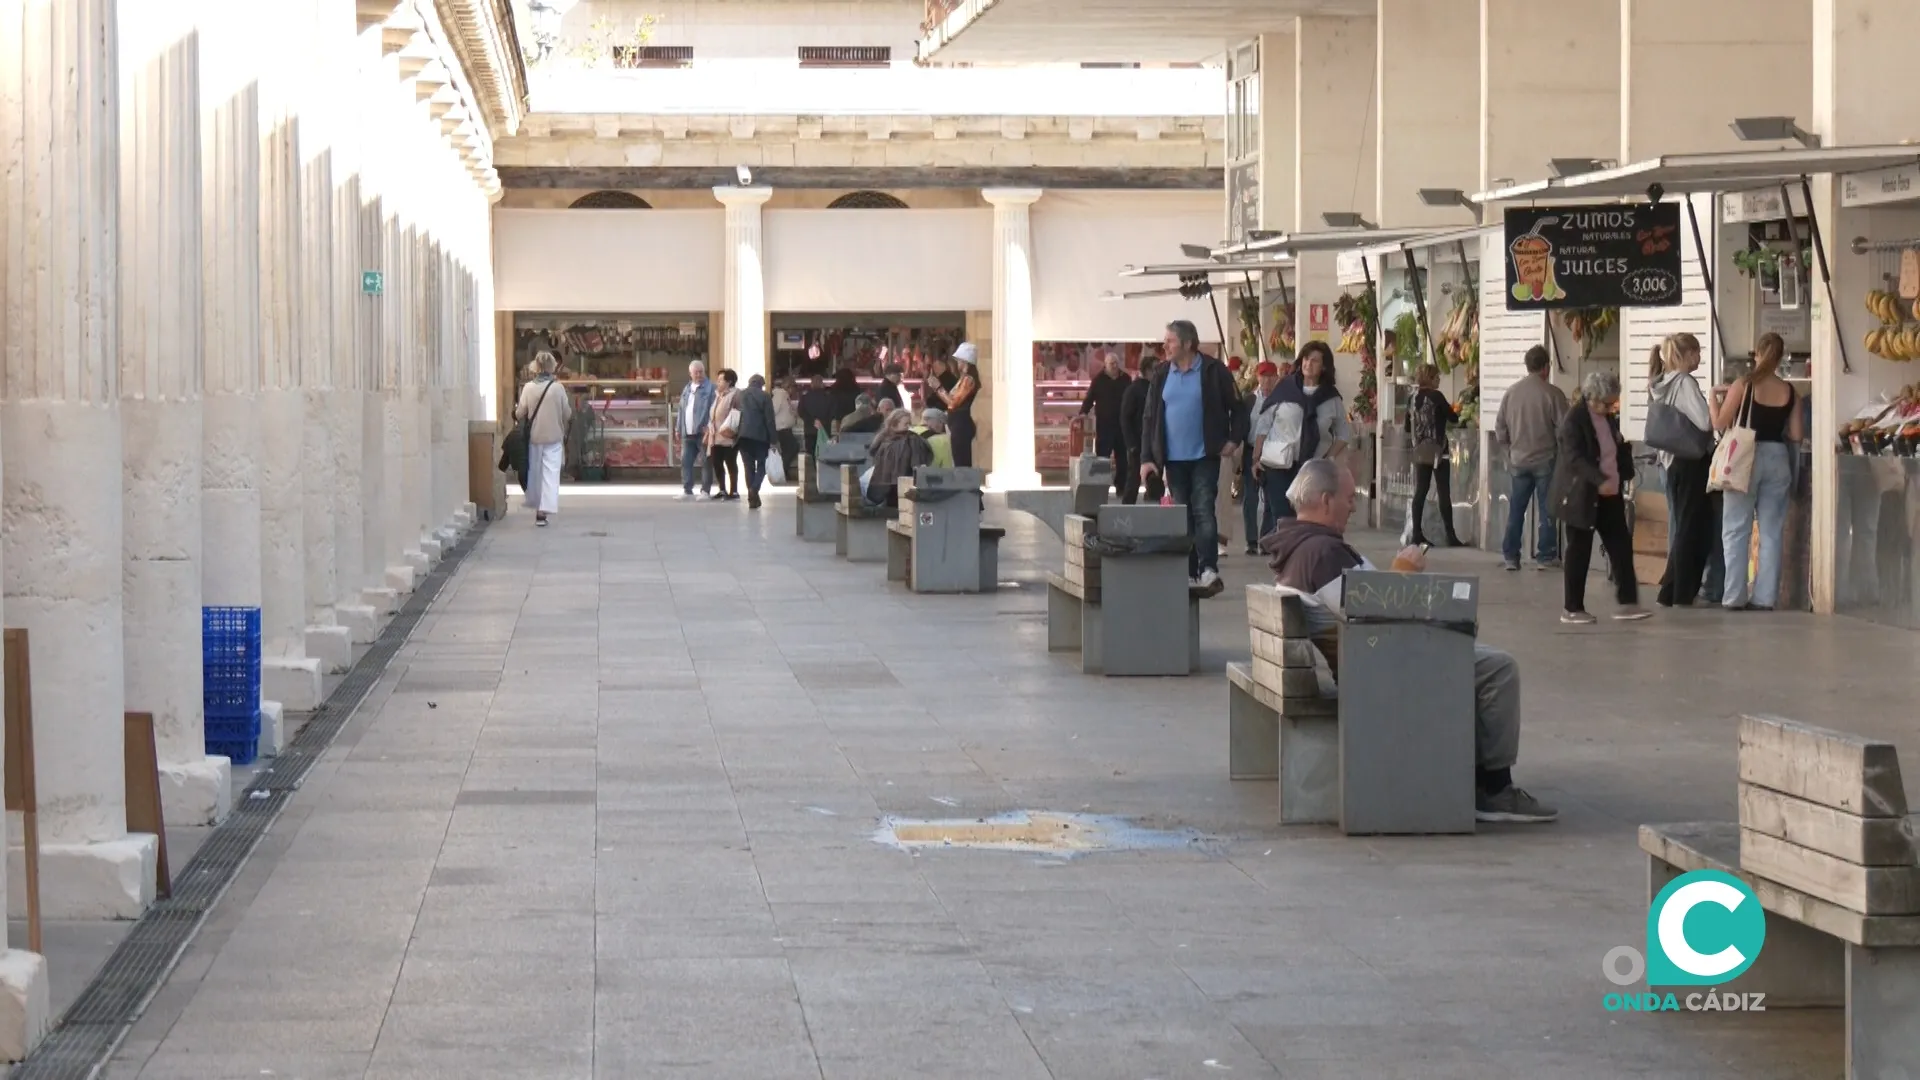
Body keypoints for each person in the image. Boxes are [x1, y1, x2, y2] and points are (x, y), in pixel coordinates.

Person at [1261, 458, 1558, 824]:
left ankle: (1475, 776)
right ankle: (1494, 788)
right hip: (1378, 666)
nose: (1354, 505)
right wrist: (1405, 571)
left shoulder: (1305, 547)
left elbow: (1362, 610)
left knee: (1475, 648)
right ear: (1325, 501)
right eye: (1349, 498)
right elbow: (1372, 615)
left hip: (1374, 656)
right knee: (1499, 669)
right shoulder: (1319, 553)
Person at [1141, 319, 1244, 595]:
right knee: (1182, 515)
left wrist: (1233, 440)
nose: (1165, 346)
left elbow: (1239, 408)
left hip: (1204, 456)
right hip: (1173, 461)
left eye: (1170, 341)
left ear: (1187, 343)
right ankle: (1188, 571)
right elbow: (1149, 418)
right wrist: (1146, 459)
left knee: (1203, 511)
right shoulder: (1162, 374)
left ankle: (1208, 569)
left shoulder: (1213, 371)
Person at [1550, 370, 1650, 624]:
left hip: (1610, 494)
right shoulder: (1574, 421)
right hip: (1582, 495)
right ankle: (1572, 608)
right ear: (1591, 398)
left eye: (1613, 403)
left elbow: (1612, 448)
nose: (1609, 408)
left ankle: (1627, 603)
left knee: (1620, 545)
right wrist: (1599, 480)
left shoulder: (1607, 419)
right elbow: (1574, 458)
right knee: (1579, 550)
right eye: (1606, 404)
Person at [1714, 331, 1802, 611]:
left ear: (1758, 353)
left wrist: (1712, 397)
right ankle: (1765, 598)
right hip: (1777, 458)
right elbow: (1797, 435)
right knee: (1772, 532)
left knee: (1736, 529)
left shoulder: (1744, 385)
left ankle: (1734, 596)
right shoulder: (1791, 392)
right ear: (1780, 357)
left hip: (1744, 458)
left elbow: (1719, 423)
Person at [1648, 334, 1719, 607]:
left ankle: (1672, 589)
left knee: (1681, 525)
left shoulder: (1661, 382)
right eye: (1697, 352)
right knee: (1692, 527)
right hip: (1692, 461)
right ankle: (1679, 591)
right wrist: (1715, 404)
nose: (1700, 358)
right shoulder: (1685, 382)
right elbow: (1703, 421)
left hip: (1671, 461)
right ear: (1687, 354)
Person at [1251, 341, 1349, 530]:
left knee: (1307, 519)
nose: (1308, 364)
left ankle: (1302, 556)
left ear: (1324, 366)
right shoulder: (1285, 388)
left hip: (1311, 469)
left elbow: (1343, 434)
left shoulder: (1331, 398)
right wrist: (1256, 457)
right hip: (1279, 465)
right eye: (1305, 359)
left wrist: (1328, 457)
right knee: (1283, 519)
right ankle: (1284, 557)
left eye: (1314, 361)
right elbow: (1264, 425)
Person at [1495, 345, 1569, 571]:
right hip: (1546, 460)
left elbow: (1500, 428)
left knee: (1517, 508)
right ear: (1546, 367)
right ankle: (1545, 556)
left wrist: (1509, 451)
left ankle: (1511, 556)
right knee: (1547, 509)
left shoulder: (1511, 393)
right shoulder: (1552, 394)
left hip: (1518, 460)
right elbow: (1565, 430)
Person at [1406, 363, 1464, 548]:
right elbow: (1453, 418)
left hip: (1420, 450)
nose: (1439, 380)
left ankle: (1417, 534)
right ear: (1430, 378)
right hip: (1439, 450)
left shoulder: (1412, 398)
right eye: (1437, 377)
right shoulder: (1436, 396)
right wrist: (1457, 410)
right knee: (1443, 491)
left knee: (1420, 491)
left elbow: (1408, 427)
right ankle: (1450, 535)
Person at [514, 350, 572, 527]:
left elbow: (519, 412)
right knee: (550, 474)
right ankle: (543, 512)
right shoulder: (558, 388)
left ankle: (537, 505)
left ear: (536, 367)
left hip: (534, 437)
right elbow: (567, 414)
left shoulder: (528, 388)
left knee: (537, 474)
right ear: (552, 366)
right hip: (554, 437)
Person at [1242, 360, 1283, 549]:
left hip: (1271, 451)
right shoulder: (1249, 400)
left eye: (1270, 376)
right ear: (1257, 377)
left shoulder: (1280, 400)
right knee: (1250, 497)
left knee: (1270, 498)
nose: (1266, 380)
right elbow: (1241, 427)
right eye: (1263, 376)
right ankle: (1251, 540)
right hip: (1250, 450)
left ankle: (1266, 539)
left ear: (1276, 378)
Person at [1079, 351, 1132, 495]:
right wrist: (1083, 412)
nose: (1114, 366)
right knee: (1103, 458)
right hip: (1104, 425)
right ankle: (1101, 488)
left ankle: (1121, 487)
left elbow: (1132, 399)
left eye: (1116, 363)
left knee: (1122, 459)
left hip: (1122, 425)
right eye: (1111, 364)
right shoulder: (1099, 380)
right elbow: (1090, 397)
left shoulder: (1126, 379)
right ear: (1105, 365)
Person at [864, 408, 934, 508]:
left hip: (898, 486)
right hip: (892, 487)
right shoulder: (885, 440)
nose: (909, 427)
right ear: (894, 424)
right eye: (906, 424)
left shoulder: (912, 440)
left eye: (909, 423)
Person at [1118, 354, 1160, 505]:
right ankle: (1126, 509)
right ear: (1148, 370)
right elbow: (1125, 418)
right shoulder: (1135, 390)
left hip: (1152, 442)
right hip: (1138, 442)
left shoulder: (1155, 388)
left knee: (1153, 477)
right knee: (1134, 478)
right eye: (1156, 369)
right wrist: (1131, 444)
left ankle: (1151, 502)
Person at [735, 373, 780, 510]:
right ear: (761, 384)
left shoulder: (740, 395)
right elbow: (770, 419)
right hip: (760, 436)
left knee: (748, 466)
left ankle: (752, 498)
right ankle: (754, 489)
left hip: (742, 436)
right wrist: (774, 439)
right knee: (762, 465)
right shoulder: (765, 396)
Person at [676, 360, 716, 500]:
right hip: (688, 432)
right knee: (686, 461)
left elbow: (714, 409)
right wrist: (678, 427)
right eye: (696, 372)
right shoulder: (687, 389)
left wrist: (710, 426)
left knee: (706, 462)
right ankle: (687, 490)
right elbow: (681, 409)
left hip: (703, 432)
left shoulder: (711, 388)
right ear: (690, 374)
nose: (699, 375)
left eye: (701, 372)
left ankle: (705, 491)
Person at [705, 368, 743, 501]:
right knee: (717, 463)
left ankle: (734, 490)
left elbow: (739, 413)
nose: (718, 382)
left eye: (721, 380)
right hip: (715, 436)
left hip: (729, 436)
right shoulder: (718, 395)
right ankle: (722, 489)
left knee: (731, 463)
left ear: (729, 382)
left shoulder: (736, 394)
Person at [947, 343, 982, 467]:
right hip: (958, 424)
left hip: (961, 425)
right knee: (959, 460)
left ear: (964, 361)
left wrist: (938, 388)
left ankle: (964, 485)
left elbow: (953, 403)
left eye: (959, 361)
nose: (957, 364)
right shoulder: (964, 379)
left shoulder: (968, 380)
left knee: (961, 462)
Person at [772, 375, 801, 484]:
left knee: (787, 450)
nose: (794, 391)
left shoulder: (784, 396)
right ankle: (783, 469)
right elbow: (773, 410)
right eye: (793, 388)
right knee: (793, 447)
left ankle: (784, 470)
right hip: (782, 428)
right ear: (789, 387)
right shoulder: (780, 395)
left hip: (784, 428)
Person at [799, 374, 837, 457]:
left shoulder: (805, 397)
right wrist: (823, 421)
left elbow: (801, 412)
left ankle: (814, 469)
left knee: (811, 454)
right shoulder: (829, 397)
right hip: (825, 430)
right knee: (824, 454)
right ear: (822, 384)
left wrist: (812, 421)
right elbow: (833, 413)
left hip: (809, 430)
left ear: (811, 384)